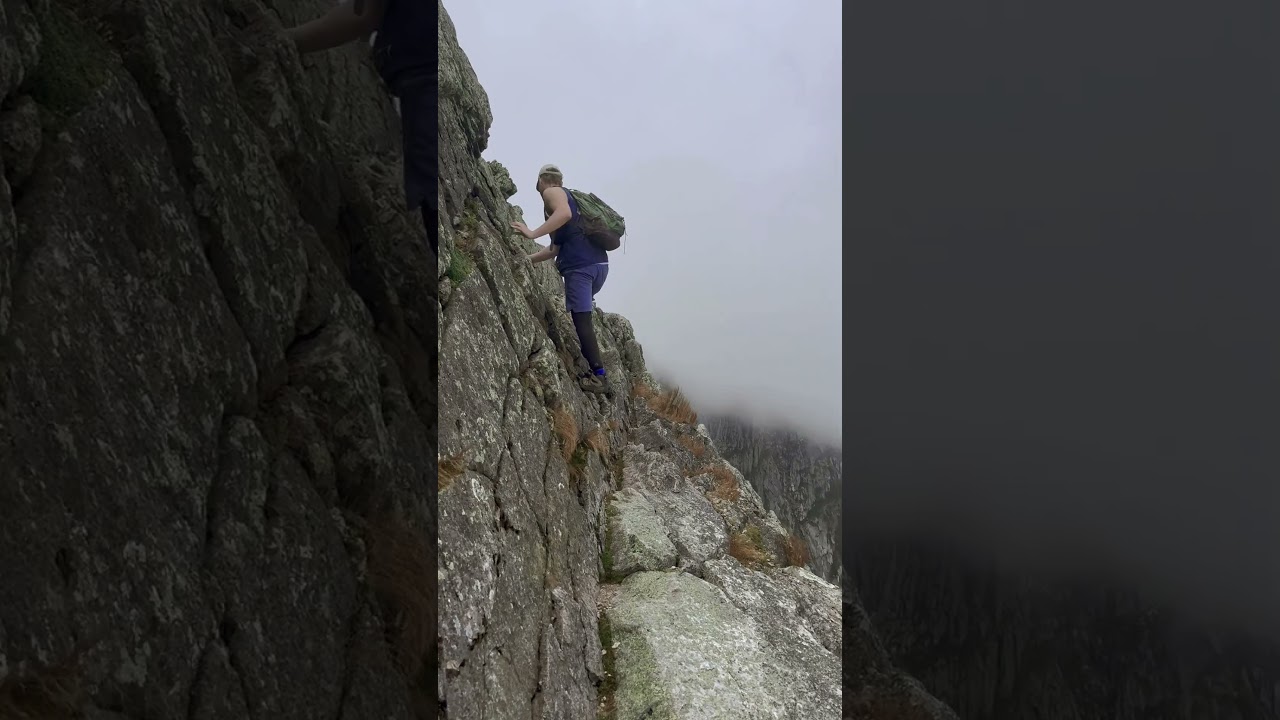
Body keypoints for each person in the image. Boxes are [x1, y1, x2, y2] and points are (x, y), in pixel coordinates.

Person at [285, 0, 437, 254]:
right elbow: (364, 16)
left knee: (433, 201)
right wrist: (290, 40)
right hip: (420, 86)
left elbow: (363, 15)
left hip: (422, 85)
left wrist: (288, 39)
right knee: (432, 199)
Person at [516, 164, 612, 395]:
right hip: (598, 266)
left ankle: (600, 377)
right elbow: (553, 250)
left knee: (582, 321)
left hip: (580, 268)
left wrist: (531, 233)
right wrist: (526, 259)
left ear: (542, 180)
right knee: (583, 316)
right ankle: (598, 372)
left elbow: (564, 214)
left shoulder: (552, 192)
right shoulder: (571, 202)